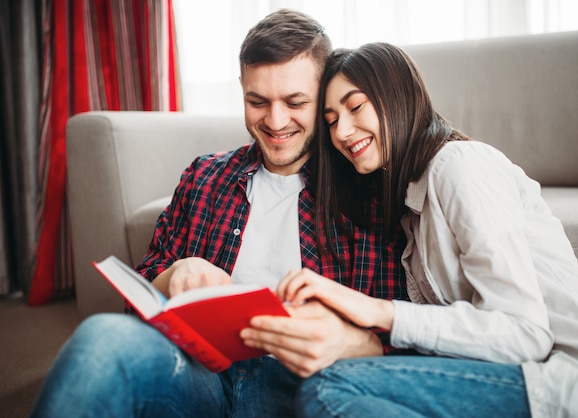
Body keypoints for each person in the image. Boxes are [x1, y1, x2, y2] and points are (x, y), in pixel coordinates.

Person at [30, 14, 409, 418]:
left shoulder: (367, 191)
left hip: (306, 390)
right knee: (102, 337)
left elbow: (406, 322)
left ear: (324, 98)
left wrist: (358, 342)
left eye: (296, 103)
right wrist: (173, 275)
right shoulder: (205, 176)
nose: (275, 121)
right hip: (200, 373)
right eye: (257, 101)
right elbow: (139, 299)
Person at [276, 43, 578, 418]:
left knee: (331, 390)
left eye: (356, 106)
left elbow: (526, 333)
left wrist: (378, 312)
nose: (342, 131)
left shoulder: (459, 166)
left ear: (399, 97)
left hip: (570, 382)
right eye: (331, 120)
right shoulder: (411, 206)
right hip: (510, 376)